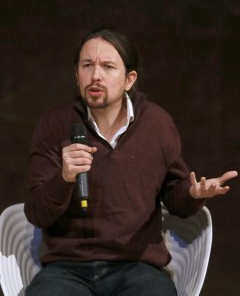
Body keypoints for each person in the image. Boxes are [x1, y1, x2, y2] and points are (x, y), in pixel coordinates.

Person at [24, 28, 238, 296]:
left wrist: (194, 194)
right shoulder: (54, 125)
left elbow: (176, 198)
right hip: (67, 268)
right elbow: (36, 213)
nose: (95, 76)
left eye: (108, 66)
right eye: (87, 65)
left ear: (129, 79)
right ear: (77, 74)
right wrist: (64, 178)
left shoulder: (157, 124)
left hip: (137, 267)